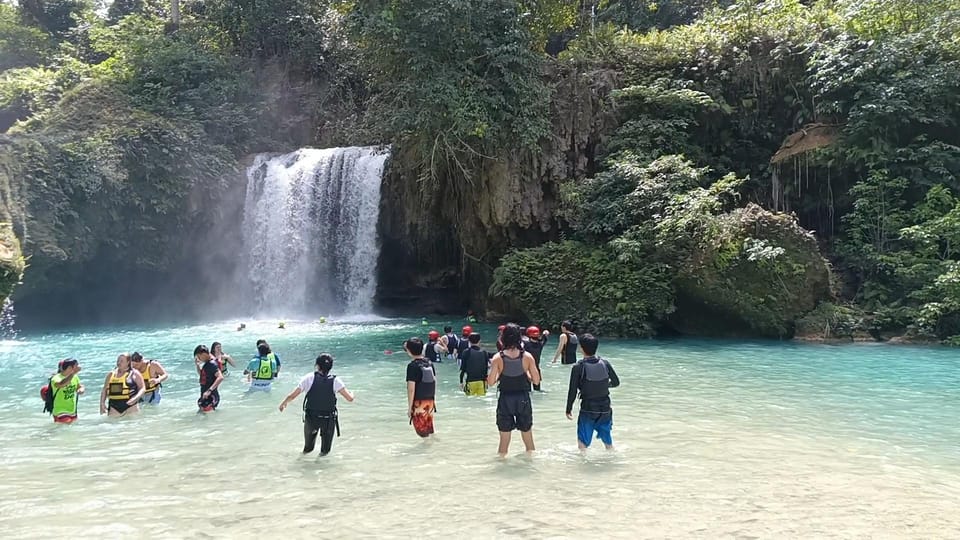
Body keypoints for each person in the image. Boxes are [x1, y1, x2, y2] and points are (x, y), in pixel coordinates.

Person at [278, 353, 355, 456]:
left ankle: (302, 466)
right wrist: (352, 394)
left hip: (312, 418)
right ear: (331, 367)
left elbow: (292, 395)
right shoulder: (336, 381)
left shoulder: (309, 378)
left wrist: (284, 403)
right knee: (325, 451)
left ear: (317, 365)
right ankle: (321, 469)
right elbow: (349, 399)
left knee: (308, 448)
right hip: (328, 419)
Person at [487, 324, 541, 456]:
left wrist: (501, 373)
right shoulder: (527, 357)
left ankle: (502, 467)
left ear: (503, 338)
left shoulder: (497, 358)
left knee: (504, 441)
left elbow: (491, 382)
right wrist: (525, 374)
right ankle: (531, 466)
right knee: (528, 438)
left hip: (505, 399)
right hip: (523, 399)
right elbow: (536, 381)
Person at [565, 334, 620, 450]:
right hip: (605, 408)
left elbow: (573, 390)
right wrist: (603, 385)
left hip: (588, 408)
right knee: (608, 442)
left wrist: (568, 408)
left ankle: (583, 466)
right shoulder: (605, 363)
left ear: (581, 348)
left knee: (583, 443)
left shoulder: (578, 367)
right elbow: (616, 382)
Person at [404, 337, 436, 438]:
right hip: (430, 402)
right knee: (429, 430)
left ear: (409, 351)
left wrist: (409, 408)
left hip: (419, 403)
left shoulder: (412, 366)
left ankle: (428, 452)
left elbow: (411, 389)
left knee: (422, 433)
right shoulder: (429, 362)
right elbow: (434, 380)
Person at [49, 358, 84, 423]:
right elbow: (62, 384)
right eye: (76, 366)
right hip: (60, 410)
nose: (79, 367)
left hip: (72, 410)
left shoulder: (75, 377)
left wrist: (81, 389)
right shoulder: (56, 378)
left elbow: (80, 386)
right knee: (66, 427)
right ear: (70, 368)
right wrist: (73, 373)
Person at [459, 332, 491, 396]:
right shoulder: (484, 352)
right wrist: (486, 381)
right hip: (482, 382)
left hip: (470, 381)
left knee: (470, 401)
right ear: (480, 341)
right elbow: (486, 368)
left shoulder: (466, 352)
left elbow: (463, 368)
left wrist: (461, 382)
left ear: (469, 341)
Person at [195, 345, 223, 412]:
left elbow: (220, 377)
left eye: (199, 356)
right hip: (206, 396)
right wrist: (197, 366)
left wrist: (209, 390)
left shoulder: (212, 364)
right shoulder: (207, 364)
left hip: (211, 396)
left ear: (204, 354)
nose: (198, 358)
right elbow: (202, 376)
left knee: (206, 416)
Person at [522, 326, 550, 392]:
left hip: (527, 370)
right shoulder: (540, 344)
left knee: (527, 391)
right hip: (536, 369)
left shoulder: (526, 344)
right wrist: (544, 335)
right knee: (537, 390)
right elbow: (544, 339)